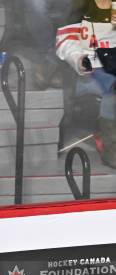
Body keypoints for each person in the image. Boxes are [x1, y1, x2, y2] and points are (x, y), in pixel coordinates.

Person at [56, 0, 116, 167]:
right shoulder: (81, 8)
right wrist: (79, 59)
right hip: (88, 73)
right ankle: (110, 145)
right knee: (111, 95)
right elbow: (65, 41)